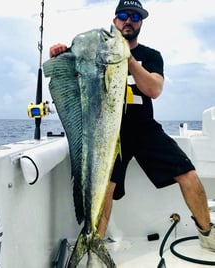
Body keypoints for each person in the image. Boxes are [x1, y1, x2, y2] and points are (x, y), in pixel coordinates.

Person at [50, 0, 215, 252]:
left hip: (145, 129)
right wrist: (64, 54)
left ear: (141, 23)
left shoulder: (151, 56)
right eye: (124, 15)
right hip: (109, 132)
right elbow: (74, 78)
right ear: (115, 20)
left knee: (189, 174)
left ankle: (207, 234)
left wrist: (127, 60)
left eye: (135, 17)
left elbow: (154, 89)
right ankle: (95, 245)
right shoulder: (97, 53)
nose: (129, 20)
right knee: (105, 188)